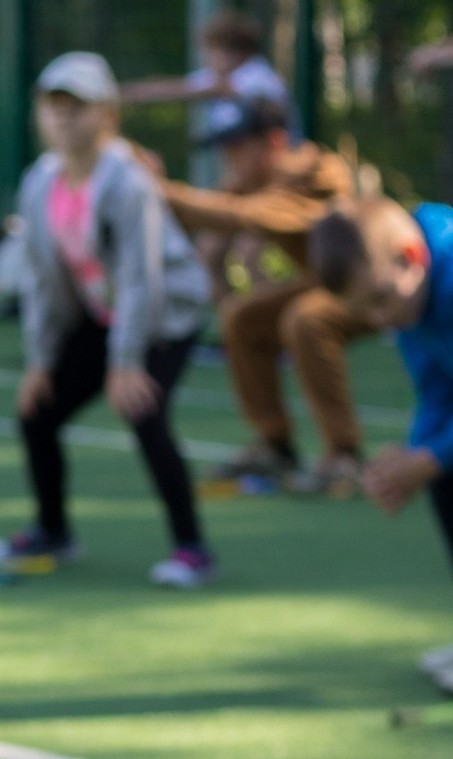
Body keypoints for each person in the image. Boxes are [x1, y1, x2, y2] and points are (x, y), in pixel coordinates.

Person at [0, 50, 216, 585]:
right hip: (105, 313)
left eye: (79, 106)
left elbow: (142, 278)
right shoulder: (40, 182)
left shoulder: (129, 183)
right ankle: (53, 531)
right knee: (37, 413)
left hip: (166, 315)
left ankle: (192, 550)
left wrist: (127, 362)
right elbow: (42, 280)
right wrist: (40, 361)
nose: (65, 117)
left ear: (108, 115)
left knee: (144, 410)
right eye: (54, 105)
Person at [307, 191, 453, 699]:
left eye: (379, 300)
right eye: (363, 311)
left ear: (410, 258)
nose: (379, 321)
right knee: (445, 469)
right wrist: (416, 459)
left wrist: (430, 458)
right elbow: (439, 393)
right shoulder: (409, 308)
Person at [155, 101, 367, 493]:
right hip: (324, 284)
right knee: (242, 317)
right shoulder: (257, 178)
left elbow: (247, 215)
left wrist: (159, 189)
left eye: (237, 147)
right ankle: (275, 446)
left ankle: (344, 453)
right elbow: (213, 213)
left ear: (274, 141)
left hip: (372, 288)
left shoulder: (316, 172)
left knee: (307, 318)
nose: (228, 158)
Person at [123, 8, 295, 152]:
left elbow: (211, 89)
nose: (208, 58)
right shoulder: (219, 77)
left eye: (212, 50)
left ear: (236, 53)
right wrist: (130, 93)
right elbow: (175, 87)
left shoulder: (259, 76)